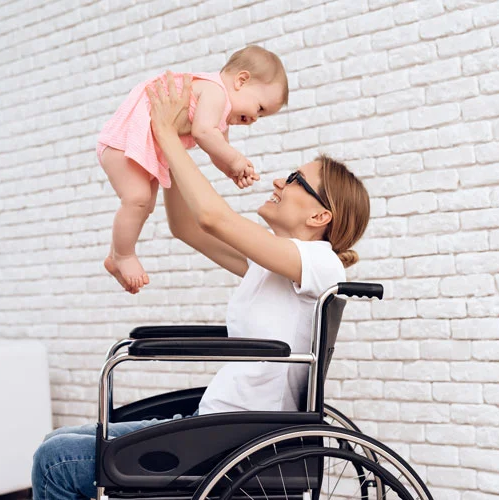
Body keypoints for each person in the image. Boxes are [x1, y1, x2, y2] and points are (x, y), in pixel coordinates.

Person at [32, 72, 370, 500]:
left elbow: (214, 218)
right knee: (55, 444)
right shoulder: (271, 263)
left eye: (295, 180)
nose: (278, 182)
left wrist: (166, 132)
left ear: (321, 217)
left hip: (237, 443)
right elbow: (187, 227)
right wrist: (177, 146)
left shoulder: (320, 263)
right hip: (216, 426)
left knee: (58, 461)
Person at [99, 46, 289, 294]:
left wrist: (231, 170)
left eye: (262, 117)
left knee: (144, 206)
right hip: (124, 141)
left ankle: (116, 255)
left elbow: (216, 148)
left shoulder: (221, 111)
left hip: (149, 146)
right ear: (241, 81)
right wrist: (235, 159)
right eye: (260, 108)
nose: (255, 119)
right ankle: (123, 255)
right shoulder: (215, 92)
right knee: (137, 199)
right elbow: (203, 133)